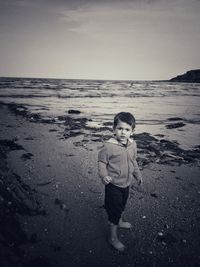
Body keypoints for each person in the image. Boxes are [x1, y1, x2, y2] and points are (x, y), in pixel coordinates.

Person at [98, 112, 142, 252]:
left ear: (132, 131)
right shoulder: (108, 147)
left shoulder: (132, 145)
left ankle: (120, 220)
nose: (123, 132)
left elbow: (133, 161)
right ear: (113, 129)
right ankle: (113, 238)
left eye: (127, 129)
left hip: (126, 183)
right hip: (113, 186)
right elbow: (101, 162)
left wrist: (137, 174)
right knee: (114, 212)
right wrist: (104, 175)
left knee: (122, 205)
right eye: (120, 128)